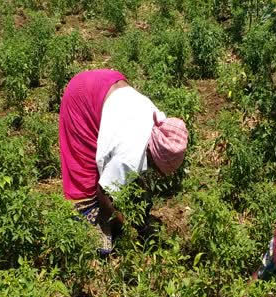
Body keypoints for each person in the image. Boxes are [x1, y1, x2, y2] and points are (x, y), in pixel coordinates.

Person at [59, 69, 189, 254]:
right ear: (153, 154)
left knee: (130, 178)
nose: (158, 174)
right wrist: (121, 223)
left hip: (107, 83)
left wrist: (140, 218)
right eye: (158, 168)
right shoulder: (130, 156)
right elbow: (103, 191)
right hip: (82, 96)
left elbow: (138, 174)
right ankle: (91, 228)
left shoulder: (159, 129)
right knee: (86, 184)